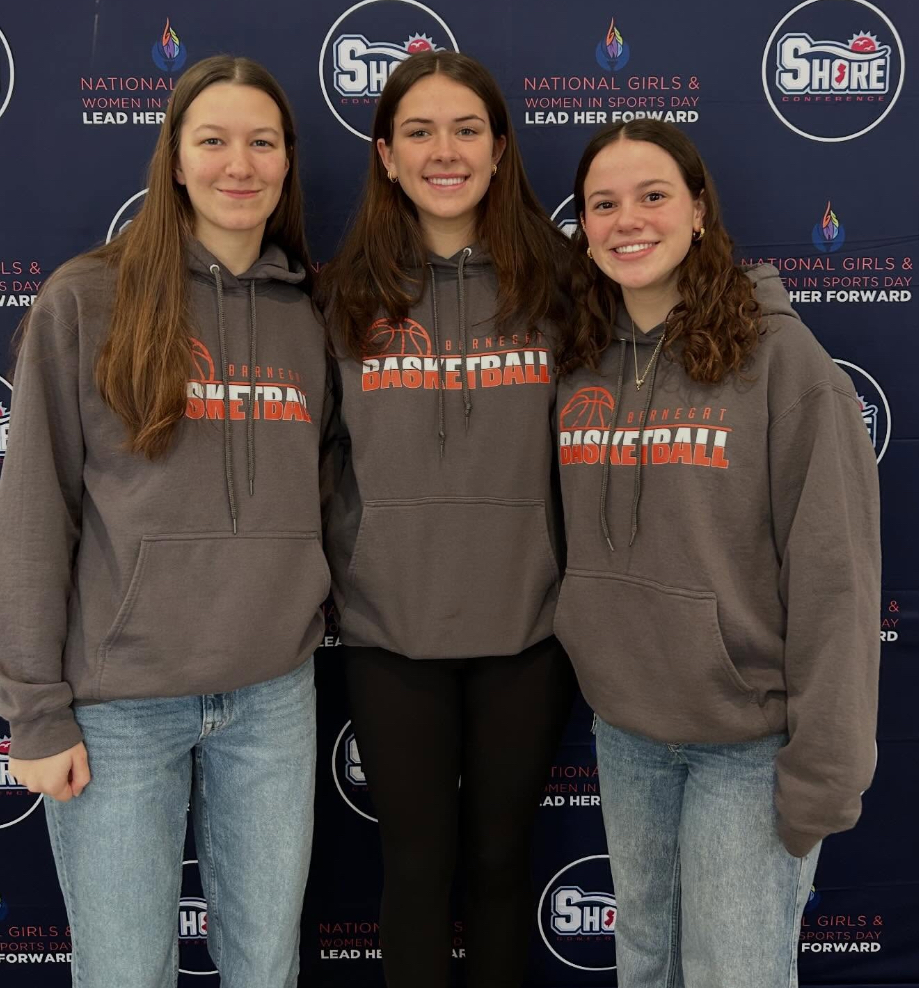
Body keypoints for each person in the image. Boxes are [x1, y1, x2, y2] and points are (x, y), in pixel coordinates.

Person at [0, 56, 327, 988]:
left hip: (273, 697)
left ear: (288, 161)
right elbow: (32, 513)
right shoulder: (88, 298)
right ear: (174, 159)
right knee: (126, 971)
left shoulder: (313, 316)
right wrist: (36, 711)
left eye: (262, 142)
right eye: (212, 141)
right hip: (119, 705)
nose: (238, 164)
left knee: (266, 968)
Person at [553, 119, 880, 987]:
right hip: (627, 735)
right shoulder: (579, 362)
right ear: (582, 227)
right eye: (604, 203)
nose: (629, 220)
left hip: (749, 747)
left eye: (653, 195)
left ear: (699, 211)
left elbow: (836, 578)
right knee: (646, 965)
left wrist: (823, 773)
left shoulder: (784, 362)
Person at [318, 50, 577, 988]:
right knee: (416, 872)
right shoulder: (340, 296)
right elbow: (315, 460)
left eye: (467, 129)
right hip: (392, 629)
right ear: (386, 156)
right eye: (419, 131)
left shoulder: (562, 286)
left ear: (500, 150)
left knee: (505, 865)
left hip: (531, 628)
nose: (445, 151)